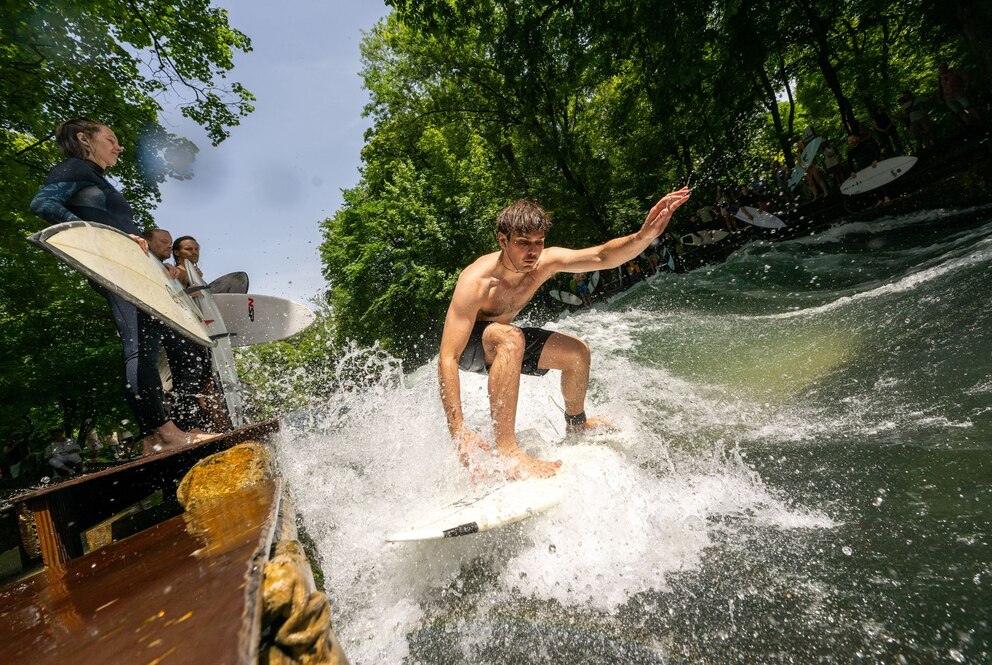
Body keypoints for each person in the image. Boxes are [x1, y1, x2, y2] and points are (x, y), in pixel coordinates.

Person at [438, 188, 691, 479]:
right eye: (522, 243)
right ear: (502, 240)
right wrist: (458, 431)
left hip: (505, 338)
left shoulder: (545, 262)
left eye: (538, 242)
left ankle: (577, 423)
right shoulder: (477, 282)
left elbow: (601, 256)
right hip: (470, 347)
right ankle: (508, 452)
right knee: (509, 337)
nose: (532, 251)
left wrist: (643, 236)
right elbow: (447, 357)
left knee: (577, 352)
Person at [29, 118, 214, 454]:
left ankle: (152, 439)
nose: (119, 146)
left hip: (132, 273)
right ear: (85, 139)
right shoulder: (74, 167)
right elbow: (42, 205)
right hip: (116, 272)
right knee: (140, 347)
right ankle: (166, 433)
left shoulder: (94, 179)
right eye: (111, 139)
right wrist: (105, 236)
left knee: (160, 343)